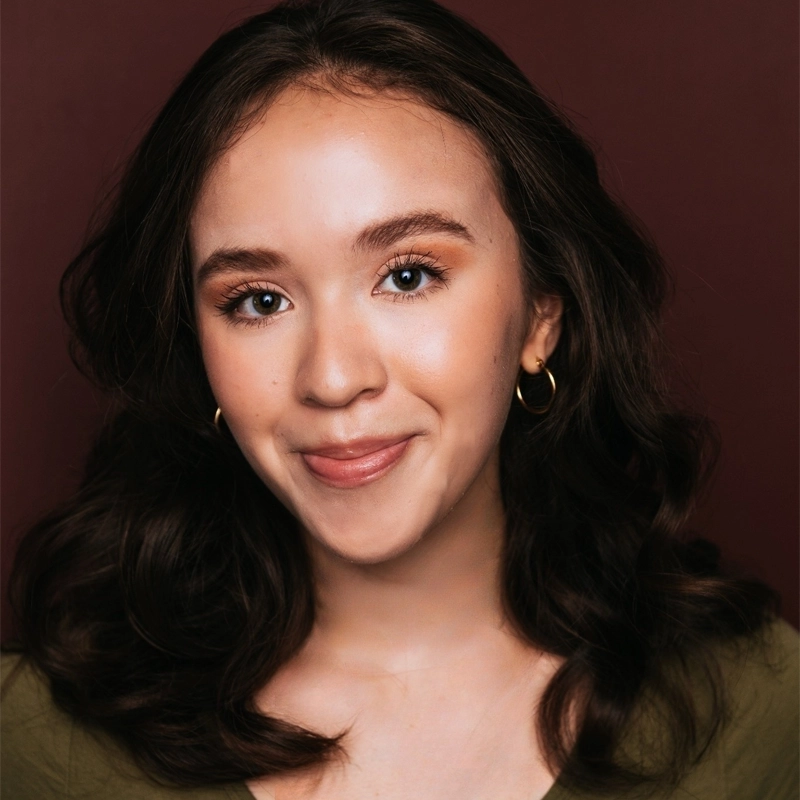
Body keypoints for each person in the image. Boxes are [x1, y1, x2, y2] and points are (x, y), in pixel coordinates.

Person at [2, 1, 796, 798]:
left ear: (541, 320)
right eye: (258, 300)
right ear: (198, 350)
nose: (334, 378)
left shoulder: (756, 715)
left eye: (408, 275)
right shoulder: (39, 743)